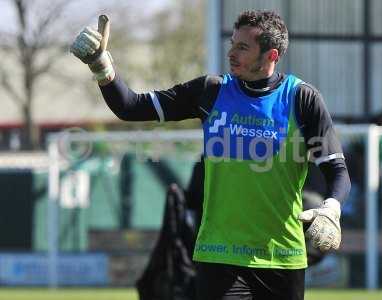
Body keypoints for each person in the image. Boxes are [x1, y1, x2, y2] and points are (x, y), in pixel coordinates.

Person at [71, 10, 351, 300]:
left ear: (272, 55)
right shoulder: (211, 91)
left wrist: (332, 208)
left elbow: (337, 170)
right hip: (219, 255)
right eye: (232, 43)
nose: (232, 53)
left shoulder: (302, 99)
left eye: (243, 47)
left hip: (282, 257)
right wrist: (101, 66)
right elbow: (131, 106)